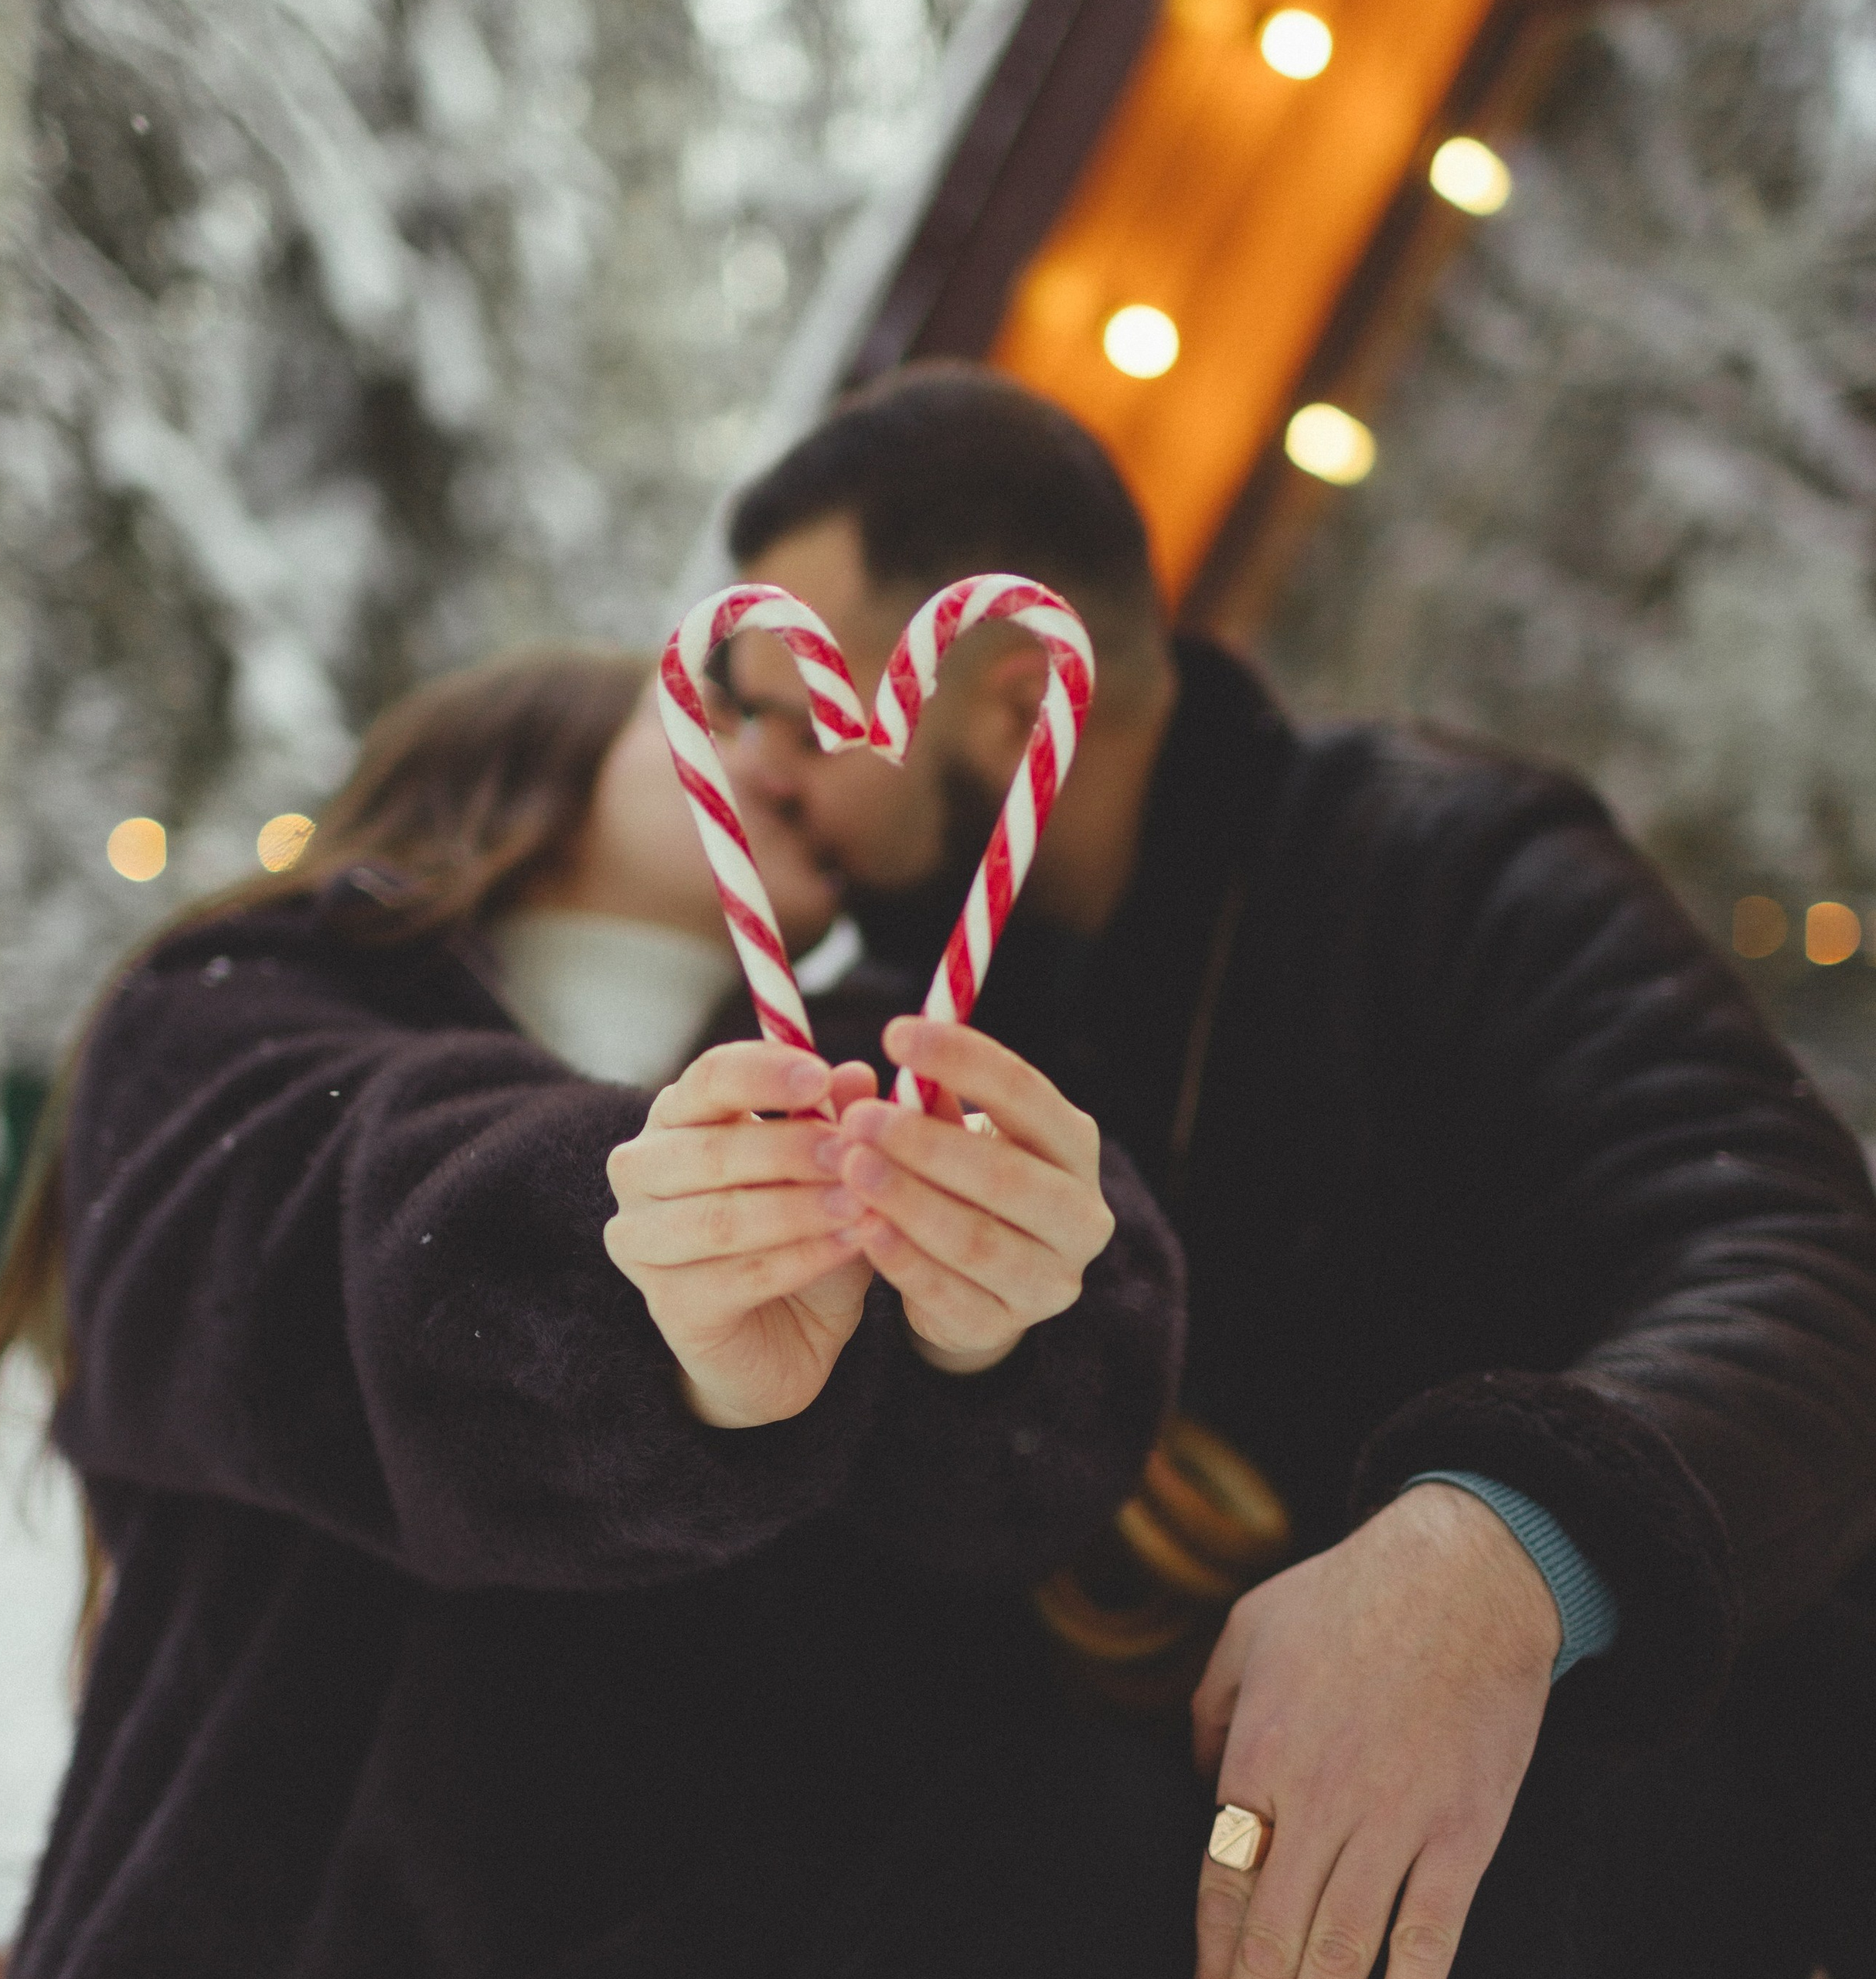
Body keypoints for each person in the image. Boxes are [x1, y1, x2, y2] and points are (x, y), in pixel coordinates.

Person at [712, 363, 1876, 1979]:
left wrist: (1500, 1552)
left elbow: (1792, 1254)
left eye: (799, 706)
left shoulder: (1441, 862)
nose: (766, 766)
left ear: (997, 695)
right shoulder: (886, 1037)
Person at [0, 650, 1193, 1976]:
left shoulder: (896, 1060)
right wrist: (647, 1313)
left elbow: (1016, 1502)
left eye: (818, 726)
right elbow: (333, 1240)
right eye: (728, 709)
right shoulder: (234, 1007)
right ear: (520, 752)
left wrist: (991, 1331)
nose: (798, 744)